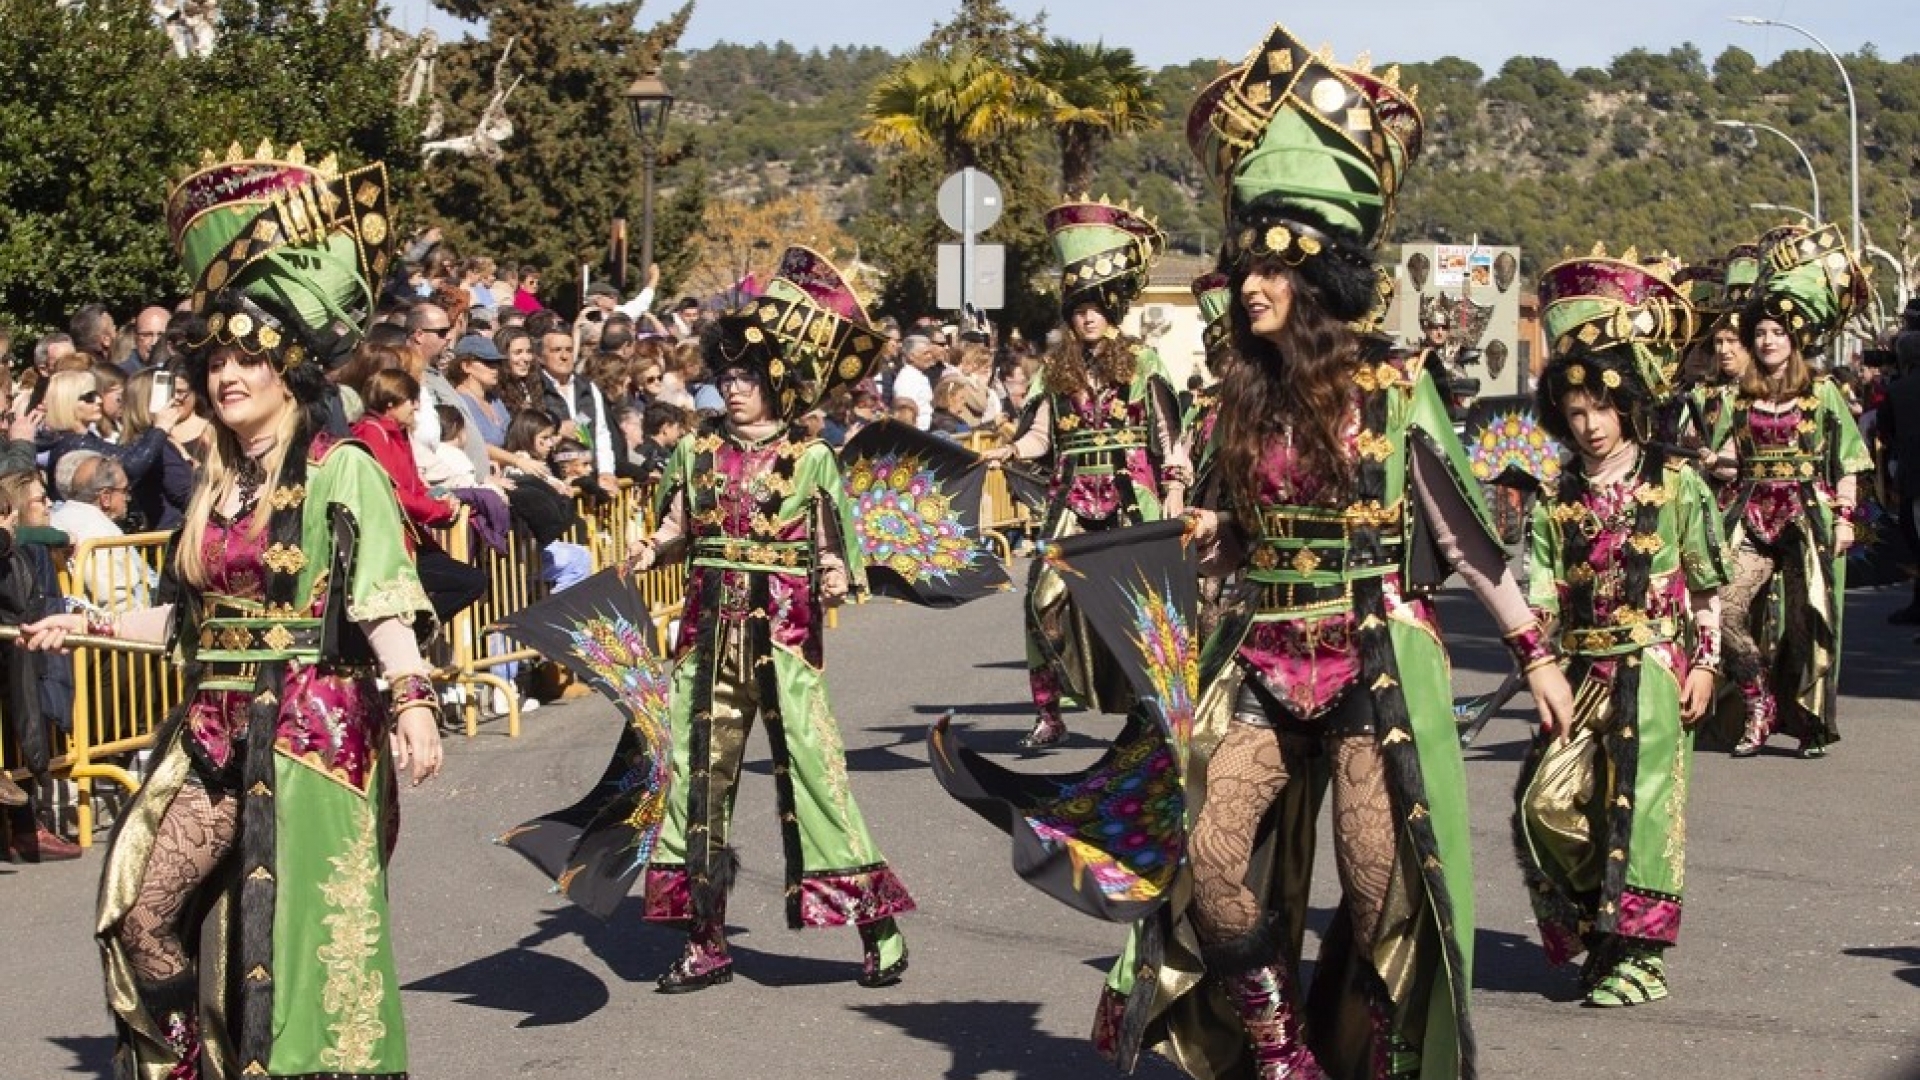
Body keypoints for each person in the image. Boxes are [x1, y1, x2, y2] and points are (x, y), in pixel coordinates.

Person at [1095, 29, 1573, 1078]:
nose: (1245, 282)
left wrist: (1534, 655)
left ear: (1313, 274)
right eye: (1241, 263)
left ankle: (1387, 1060)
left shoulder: (1396, 393)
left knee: (1377, 887)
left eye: (1266, 264)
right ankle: (1278, 1052)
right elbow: (1232, 530)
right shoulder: (1240, 399)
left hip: (1369, 659)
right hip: (1263, 657)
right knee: (1212, 860)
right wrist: (1213, 534)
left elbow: (1466, 537)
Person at [17, 142, 441, 1078]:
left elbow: (378, 603)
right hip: (211, 738)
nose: (227, 376)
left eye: (249, 358)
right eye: (216, 362)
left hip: (315, 743)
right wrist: (80, 621)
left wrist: (412, 698)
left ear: (288, 367)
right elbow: (188, 626)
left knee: (304, 963)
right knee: (141, 915)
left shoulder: (344, 472)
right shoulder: (215, 487)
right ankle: (182, 1063)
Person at [627, 246, 912, 993]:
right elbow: (677, 530)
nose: (735, 387)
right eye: (726, 375)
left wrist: (836, 570)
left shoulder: (813, 457)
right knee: (695, 786)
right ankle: (707, 942)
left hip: (785, 637)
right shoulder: (694, 450)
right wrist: (648, 547)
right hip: (706, 634)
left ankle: (876, 925)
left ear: (776, 382)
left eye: (748, 376)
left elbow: (835, 546)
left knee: (817, 780)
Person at [1515, 259, 1730, 1008]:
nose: (1590, 426)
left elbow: (1708, 587)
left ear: (1627, 406)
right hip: (1579, 673)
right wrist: (1535, 654)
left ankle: (1639, 956)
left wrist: (1705, 664)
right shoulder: (1551, 499)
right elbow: (1539, 589)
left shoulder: (1677, 485)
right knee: (1545, 808)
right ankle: (1598, 927)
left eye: (1600, 408)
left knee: (1639, 813)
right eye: (1574, 413)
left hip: (1655, 668)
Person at [982, 197, 1188, 748]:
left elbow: (1170, 433)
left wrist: (1173, 488)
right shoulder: (1057, 369)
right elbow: (1041, 436)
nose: (1087, 316)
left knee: (1144, 610)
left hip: (1131, 500)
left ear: (1112, 308)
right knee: (1040, 601)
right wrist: (1009, 451)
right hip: (1071, 500)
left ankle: (1155, 715)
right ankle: (1049, 713)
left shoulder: (1144, 362)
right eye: (1078, 308)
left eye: (1096, 305)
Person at [1699, 223, 1872, 758]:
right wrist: (1713, 462)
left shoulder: (1822, 393)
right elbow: (1730, 461)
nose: (1768, 341)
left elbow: (1846, 460)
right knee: (1722, 609)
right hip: (1750, 517)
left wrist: (1845, 518)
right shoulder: (1737, 398)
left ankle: (1808, 722)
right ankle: (1757, 701)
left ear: (1793, 340)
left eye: (1777, 334)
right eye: (1761, 335)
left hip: (1805, 517)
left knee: (1805, 622)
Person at [351, 368, 487, 625]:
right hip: (389, 542)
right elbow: (391, 491)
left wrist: (442, 500)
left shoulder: (399, 434)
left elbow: (414, 484)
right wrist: (439, 510)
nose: (416, 407)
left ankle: (412, 635)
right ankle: (411, 636)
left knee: (469, 581)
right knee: (468, 582)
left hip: (409, 536)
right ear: (391, 403)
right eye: (410, 401)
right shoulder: (371, 432)